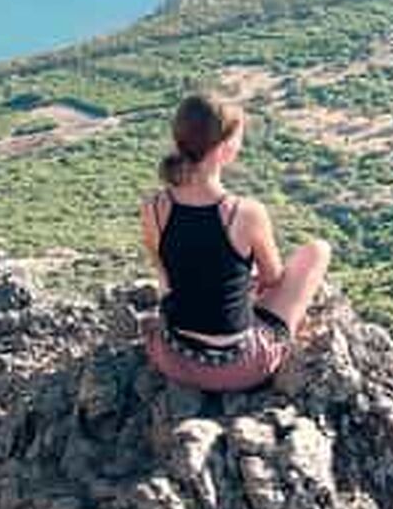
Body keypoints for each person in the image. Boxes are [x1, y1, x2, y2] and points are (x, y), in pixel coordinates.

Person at [139, 92, 331, 392]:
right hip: (239, 367)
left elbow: (166, 279)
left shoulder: (153, 209)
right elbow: (273, 278)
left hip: (173, 358)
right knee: (318, 251)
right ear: (224, 149)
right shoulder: (245, 212)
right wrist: (246, 282)